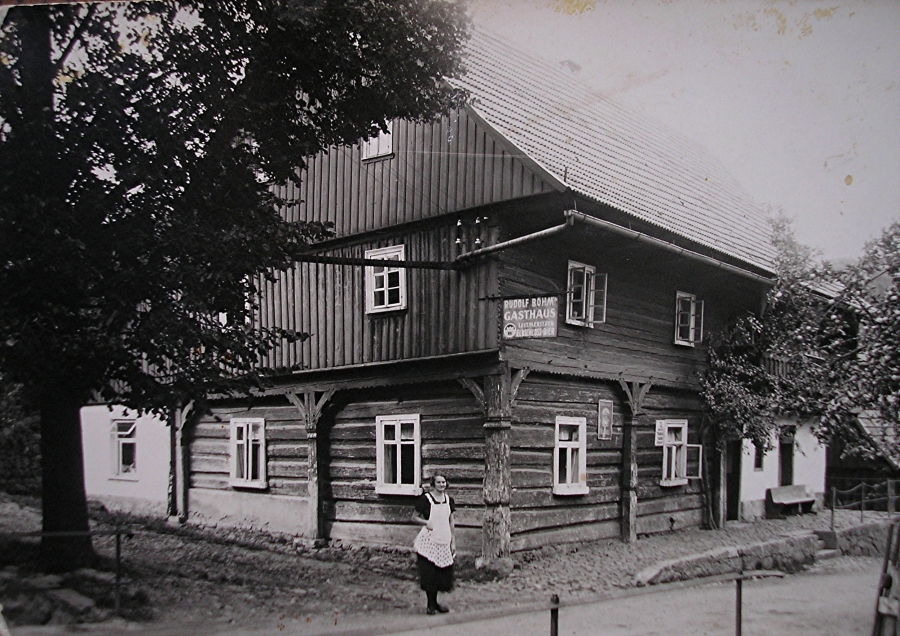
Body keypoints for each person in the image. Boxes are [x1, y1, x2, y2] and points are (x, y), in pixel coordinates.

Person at [412, 474, 457, 615]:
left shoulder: (449, 500)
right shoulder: (426, 499)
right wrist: (426, 522)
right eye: (438, 482)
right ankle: (430, 605)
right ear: (433, 484)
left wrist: (453, 541)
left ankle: (435, 603)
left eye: (443, 482)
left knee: (440, 573)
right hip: (429, 541)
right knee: (429, 573)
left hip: (443, 538)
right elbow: (414, 517)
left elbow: (451, 522)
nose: (441, 485)